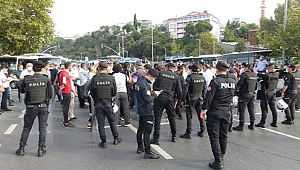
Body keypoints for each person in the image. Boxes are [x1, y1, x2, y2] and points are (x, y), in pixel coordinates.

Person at [200, 60, 235, 170]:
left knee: (214, 136)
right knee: (223, 135)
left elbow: (209, 97)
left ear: (217, 68)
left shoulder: (215, 82)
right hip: (227, 111)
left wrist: (203, 109)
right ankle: (221, 155)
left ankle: (218, 161)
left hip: (215, 111)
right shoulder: (233, 81)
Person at [16, 61, 53, 157]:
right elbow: (51, 94)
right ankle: (41, 149)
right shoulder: (46, 79)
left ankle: (21, 148)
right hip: (43, 106)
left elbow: (21, 90)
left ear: (33, 69)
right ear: (42, 69)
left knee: (26, 128)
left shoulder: (27, 79)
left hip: (31, 106)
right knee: (42, 128)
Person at [90, 61, 122, 148]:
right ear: (106, 69)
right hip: (108, 102)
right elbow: (114, 91)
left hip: (99, 103)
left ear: (98, 69)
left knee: (101, 123)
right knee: (112, 121)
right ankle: (116, 138)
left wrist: (96, 100)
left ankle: (103, 141)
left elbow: (92, 92)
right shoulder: (111, 78)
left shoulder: (94, 79)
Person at [150, 63, 182, 144]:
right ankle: (174, 136)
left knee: (158, 117)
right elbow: (179, 91)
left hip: (160, 97)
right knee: (172, 117)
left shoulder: (161, 74)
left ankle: (156, 138)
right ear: (173, 68)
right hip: (170, 98)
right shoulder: (176, 76)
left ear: (167, 67)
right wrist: (178, 100)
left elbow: (155, 85)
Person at [135, 68, 161, 159]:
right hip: (147, 110)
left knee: (140, 128)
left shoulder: (139, 82)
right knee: (147, 131)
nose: (154, 80)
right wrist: (154, 95)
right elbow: (147, 99)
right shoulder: (145, 84)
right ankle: (148, 151)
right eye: (154, 78)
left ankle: (140, 147)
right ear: (150, 76)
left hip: (141, 109)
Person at [180, 64, 206, 139]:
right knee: (200, 114)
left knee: (189, 115)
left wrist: (182, 100)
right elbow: (204, 88)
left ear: (191, 70)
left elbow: (185, 90)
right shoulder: (202, 77)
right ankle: (202, 129)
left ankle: (188, 132)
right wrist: (203, 98)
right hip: (199, 98)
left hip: (191, 98)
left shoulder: (190, 78)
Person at [233, 63, 257, 131]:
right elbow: (255, 86)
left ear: (246, 68)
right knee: (251, 109)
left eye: (243, 67)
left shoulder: (244, 75)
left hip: (244, 94)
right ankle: (252, 124)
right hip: (252, 93)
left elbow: (239, 84)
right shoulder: (254, 74)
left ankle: (241, 125)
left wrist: (236, 90)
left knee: (242, 110)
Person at [254, 63, 279, 128]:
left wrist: (256, 73)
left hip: (266, 93)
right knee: (273, 108)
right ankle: (274, 122)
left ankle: (262, 122)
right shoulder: (276, 75)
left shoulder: (267, 75)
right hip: (272, 92)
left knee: (264, 108)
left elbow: (260, 75)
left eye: (267, 68)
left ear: (269, 68)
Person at [59, 62, 78, 127]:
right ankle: (66, 121)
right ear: (69, 66)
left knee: (66, 106)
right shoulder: (64, 73)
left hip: (66, 91)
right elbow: (65, 82)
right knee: (66, 107)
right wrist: (65, 86)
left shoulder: (62, 73)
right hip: (66, 91)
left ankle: (66, 120)